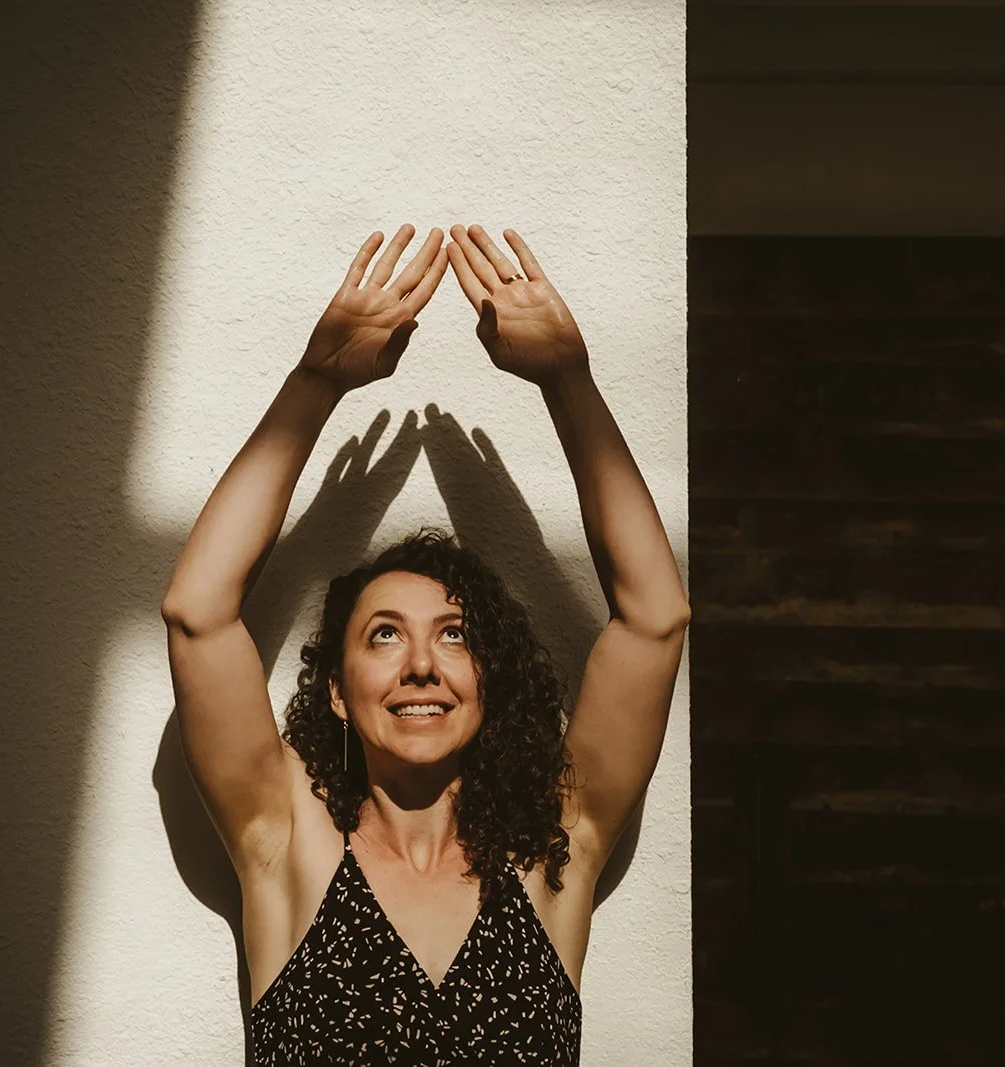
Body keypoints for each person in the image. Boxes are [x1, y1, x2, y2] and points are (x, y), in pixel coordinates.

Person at [160, 223, 689, 1066]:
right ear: (336, 687)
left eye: (454, 635)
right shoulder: (284, 836)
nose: (419, 664)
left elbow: (656, 618)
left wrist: (568, 381)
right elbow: (197, 612)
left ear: (487, 677)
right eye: (383, 636)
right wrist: (316, 381)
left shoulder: (554, 846)